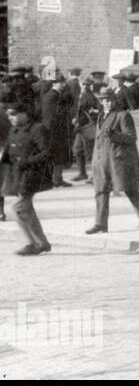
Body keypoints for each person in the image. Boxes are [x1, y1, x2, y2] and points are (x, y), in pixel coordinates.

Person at [86, 87, 139, 234]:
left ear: (115, 100)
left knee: (129, 189)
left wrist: (115, 135)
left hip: (118, 160)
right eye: (103, 101)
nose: (106, 103)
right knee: (100, 190)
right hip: (103, 161)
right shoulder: (102, 115)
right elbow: (98, 140)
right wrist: (94, 163)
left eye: (109, 100)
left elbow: (132, 137)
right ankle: (100, 224)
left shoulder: (123, 115)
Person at [4, 103, 53, 255]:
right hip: (19, 176)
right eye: (9, 115)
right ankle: (42, 243)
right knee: (26, 210)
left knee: (17, 208)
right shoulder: (14, 130)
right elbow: (7, 152)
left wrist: (26, 162)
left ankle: (31, 243)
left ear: (24, 113)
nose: (11, 118)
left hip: (33, 175)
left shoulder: (37, 129)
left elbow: (47, 153)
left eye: (14, 114)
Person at [39, 77, 74, 188]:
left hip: (51, 129)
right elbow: (58, 113)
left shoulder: (50, 95)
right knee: (58, 155)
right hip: (55, 130)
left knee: (55, 155)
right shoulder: (54, 96)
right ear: (55, 83)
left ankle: (56, 179)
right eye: (62, 82)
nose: (64, 84)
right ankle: (56, 179)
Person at [71, 73, 99, 182]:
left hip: (88, 127)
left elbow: (97, 109)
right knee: (77, 150)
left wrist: (93, 113)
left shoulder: (90, 96)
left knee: (91, 152)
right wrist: (75, 118)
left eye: (87, 84)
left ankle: (94, 175)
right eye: (83, 84)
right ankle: (82, 173)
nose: (85, 86)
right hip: (80, 128)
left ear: (90, 85)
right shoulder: (80, 95)